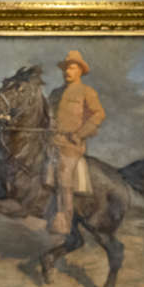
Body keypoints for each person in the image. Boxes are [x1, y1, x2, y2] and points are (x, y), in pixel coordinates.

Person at [46, 50, 106, 235]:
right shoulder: (55, 93)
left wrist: (80, 134)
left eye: (71, 67)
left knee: (63, 176)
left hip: (71, 146)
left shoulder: (87, 92)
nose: (67, 71)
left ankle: (64, 219)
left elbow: (99, 114)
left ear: (80, 70)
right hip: (51, 142)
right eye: (65, 68)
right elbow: (47, 115)